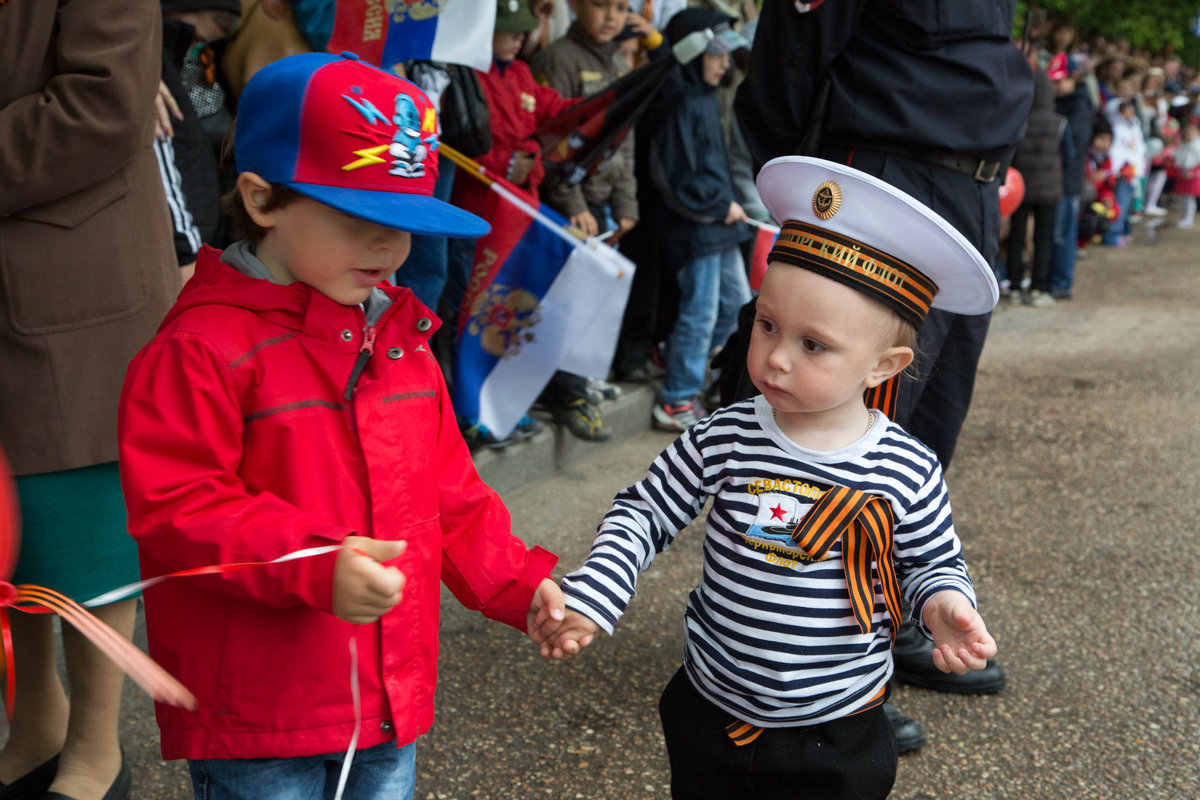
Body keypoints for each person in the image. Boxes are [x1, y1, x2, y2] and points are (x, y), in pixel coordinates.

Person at [117, 52, 565, 800]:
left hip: (387, 699)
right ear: (261, 201)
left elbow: (449, 498)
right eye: (362, 220)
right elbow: (178, 508)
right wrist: (314, 563)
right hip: (261, 716)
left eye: (407, 222)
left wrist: (522, 586)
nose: (391, 248)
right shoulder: (201, 348)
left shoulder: (397, 338)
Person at [541, 157, 1000, 800]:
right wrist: (596, 595)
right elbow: (643, 512)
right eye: (766, 325)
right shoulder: (724, 434)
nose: (776, 358)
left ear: (884, 366)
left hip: (837, 729)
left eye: (813, 345)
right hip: (711, 710)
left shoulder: (907, 467)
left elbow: (930, 562)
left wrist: (945, 604)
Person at [732, 0, 1030, 750]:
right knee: (842, 435)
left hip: (968, 188)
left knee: (920, 435)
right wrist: (821, 184)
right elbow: (789, 62)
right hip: (886, 180)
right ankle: (794, 667)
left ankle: (888, 623)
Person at [0, 3, 181, 800]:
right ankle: (35, 725)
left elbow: (102, 104)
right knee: (10, 524)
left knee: (77, 522)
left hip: (72, 263)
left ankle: (95, 751)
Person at [447, 0, 607, 446]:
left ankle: (505, 402)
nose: (520, 39)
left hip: (523, 212)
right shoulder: (466, 74)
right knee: (476, 311)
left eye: (522, 32)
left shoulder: (518, 73)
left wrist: (605, 104)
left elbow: (553, 110)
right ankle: (472, 407)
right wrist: (507, 162)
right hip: (481, 216)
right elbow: (454, 147)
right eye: (510, 31)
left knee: (516, 308)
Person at [647, 8, 752, 432]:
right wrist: (717, 206)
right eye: (716, 55)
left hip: (722, 225)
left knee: (736, 306)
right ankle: (676, 397)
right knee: (702, 311)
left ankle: (681, 362)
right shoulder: (678, 101)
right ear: (692, 53)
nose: (724, 63)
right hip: (696, 227)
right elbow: (677, 176)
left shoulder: (707, 97)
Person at [1006, 70, 1067, 307]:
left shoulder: (1017, 121)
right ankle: (1039, 287)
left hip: (1021, 188)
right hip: (1050, 190)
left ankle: (1013, 284)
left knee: (1016, 236)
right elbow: (1069, 155)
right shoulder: (1060, 122)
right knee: (1044, 239)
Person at [1171, 119, 1200, 228]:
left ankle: (1189, 218)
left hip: (1193, 175)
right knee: (1184, 198)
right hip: (1183, 173)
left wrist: (1193, 171)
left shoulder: (1197, 146)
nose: (1188, 135)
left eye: (1191, 133)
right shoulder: (1182, 145)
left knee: (1189, 198)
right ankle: (1186, 217)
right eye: (1186, 133)